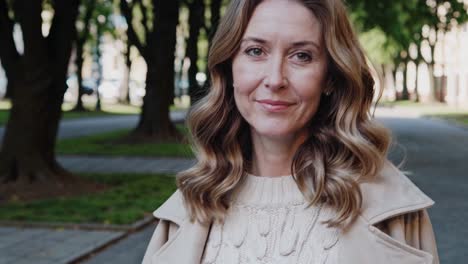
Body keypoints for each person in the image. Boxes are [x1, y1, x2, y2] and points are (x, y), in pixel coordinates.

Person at [142, 0, 439, 263]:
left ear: (330, 77)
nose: (275, 79)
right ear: (229, 66)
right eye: (256, 51)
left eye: (302, 56)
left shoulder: (393, 213)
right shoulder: (187, 208)